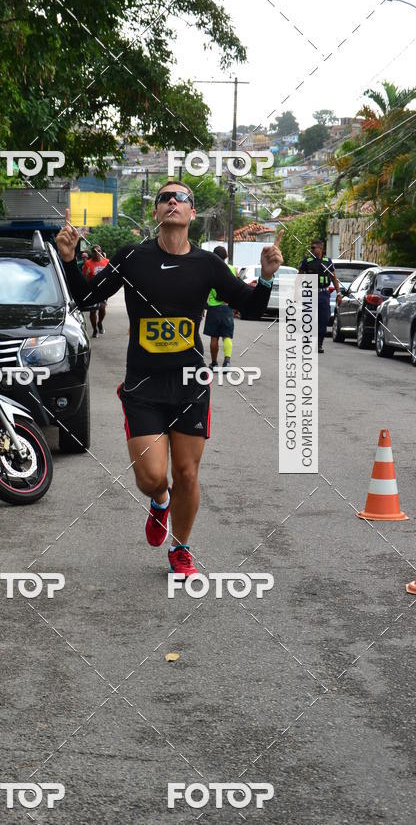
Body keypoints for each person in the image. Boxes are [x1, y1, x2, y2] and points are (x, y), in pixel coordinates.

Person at [56, 182, 283, 577]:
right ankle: (159, 501)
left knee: (187, 473)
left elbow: (248, 306)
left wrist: (265, 278)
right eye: (165, 198)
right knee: (152, 478)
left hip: (191, 385)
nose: (173, 201)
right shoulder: (133, 257)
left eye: (182, 198)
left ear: (192, 214)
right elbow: (88, 298)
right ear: (157, 212)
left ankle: (181, 549)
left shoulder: (208, 264)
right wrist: (70, 260)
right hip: (143, 386)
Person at [298, 238, 342, 353]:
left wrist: (338, 293)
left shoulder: (328, 261)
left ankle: (319, 344)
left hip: (324, 294)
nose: (311, 250)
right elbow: (299, 277)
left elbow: (333, 278)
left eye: (313, 248)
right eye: (310, 247)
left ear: (320, 248)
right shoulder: (307, 261)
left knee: (324, 319)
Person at [204, 246, 237, 368]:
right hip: (228, 307)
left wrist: (202, 306)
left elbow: (205, 290)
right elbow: (236, 288)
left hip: (213, 308)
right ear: (226, 257)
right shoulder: (233, 269)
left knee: (214, 337)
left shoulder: (208, 271)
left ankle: (214, 363)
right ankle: (227, 362)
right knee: (227, 336)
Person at [82, 245, 109, 337]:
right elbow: (84, 279)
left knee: (102, 308)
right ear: (92, 253)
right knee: (93, 311)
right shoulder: (88, 263)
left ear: (101, 252)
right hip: (92, 290)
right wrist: (86, 274)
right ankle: (94, 330)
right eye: (95, 251)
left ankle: (99, 323)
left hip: (103, 290)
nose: (97, 253)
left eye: (99, 251)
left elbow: (111, 274)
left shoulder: (106, 262)